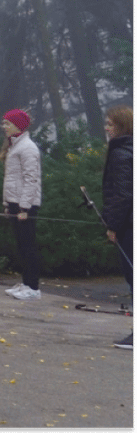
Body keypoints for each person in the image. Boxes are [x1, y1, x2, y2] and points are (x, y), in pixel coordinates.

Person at [0, 108, 43, 301]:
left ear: (17, 125)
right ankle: (25, 283)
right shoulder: (15, 146)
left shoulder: (28, 148)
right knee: (21, 246)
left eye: (7, 123)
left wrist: (24, 207)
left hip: (26, 205)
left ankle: (33, 287)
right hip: (16, 203)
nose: (4, 127)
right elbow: (11, 180)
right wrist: (8, 203)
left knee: (28, 245)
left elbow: (31, 179)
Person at [100, 105, 133, 350]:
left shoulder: (122, 154)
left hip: (129, 227)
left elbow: (123, 195)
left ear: (121, 127)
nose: (106, 128)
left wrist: (113, 226)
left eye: (110, 124)